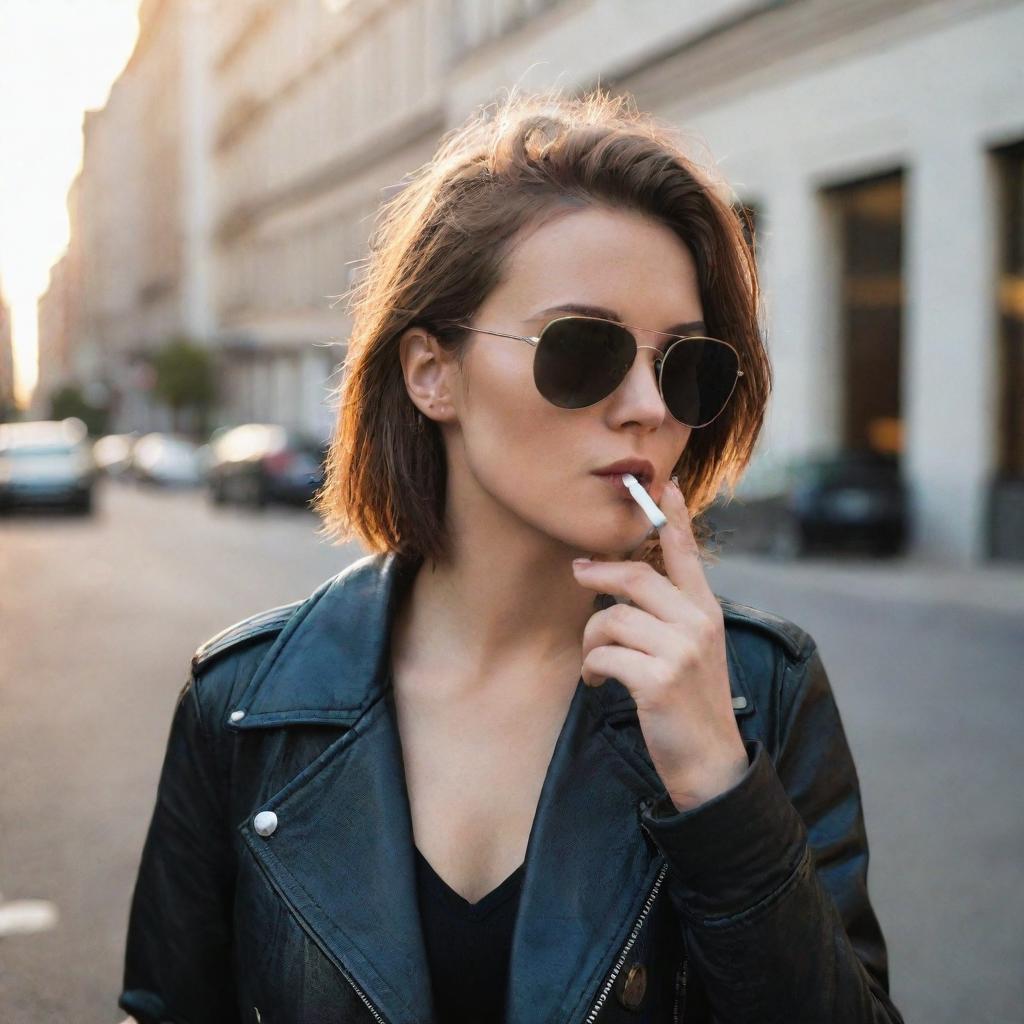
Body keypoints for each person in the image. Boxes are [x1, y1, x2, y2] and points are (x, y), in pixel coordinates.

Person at [118, 86, 905, 1023]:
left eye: (688, 363)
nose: (649, 406)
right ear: (431, 371)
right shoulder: (246, 708)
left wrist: (718, 793)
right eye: (584, 349)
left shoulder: (758, 693)